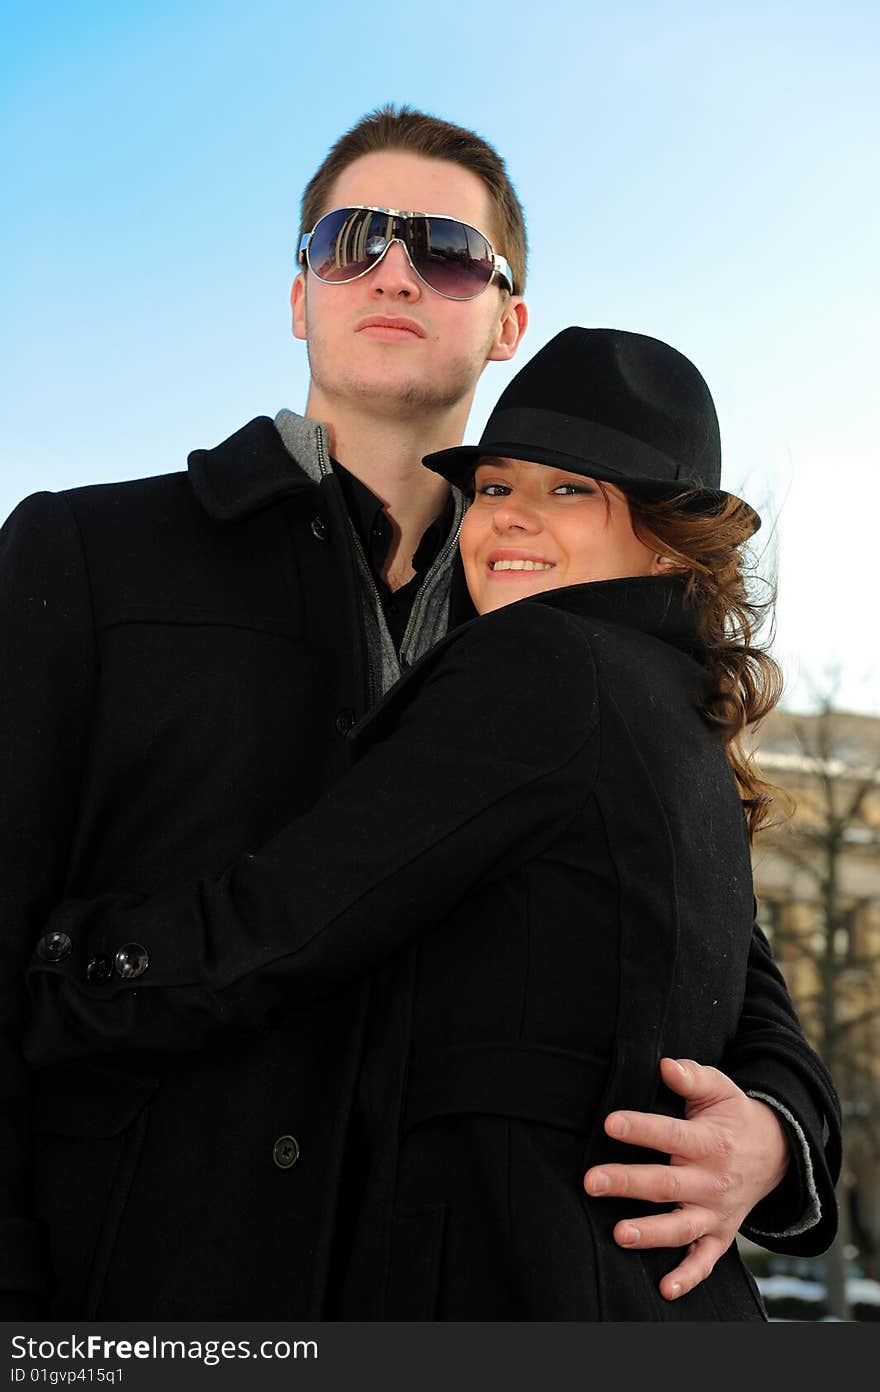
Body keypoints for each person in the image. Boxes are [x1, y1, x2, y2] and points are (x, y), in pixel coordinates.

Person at [0, 104, 835, 1319]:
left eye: (444, 249)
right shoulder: (83, 554)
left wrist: (771, 1130)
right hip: (144, 1288)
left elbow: (711, 947)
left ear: (506, 319)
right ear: (300, 297)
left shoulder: (573, 624)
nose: (392, 269)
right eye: (349, 241)